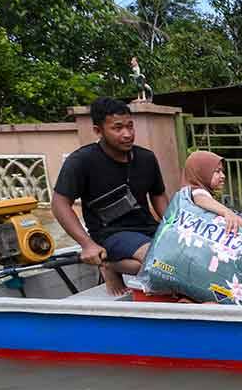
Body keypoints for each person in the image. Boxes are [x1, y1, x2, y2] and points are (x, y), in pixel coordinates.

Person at [52, 97, 169, 296]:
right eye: (117, 128)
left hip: (147, 227)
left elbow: (158, 195)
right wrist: (87, 245)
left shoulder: (146, 158)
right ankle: (107, 264)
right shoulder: (82, 161)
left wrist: (173, 227)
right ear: (98, 131)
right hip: (110, 233)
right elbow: (59, 204)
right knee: (160, 262)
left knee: (182, 255)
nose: (127, 134)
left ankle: (111, 265)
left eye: (130, 126)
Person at [181, 150, 242, 235]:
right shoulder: (195, 191)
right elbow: (200, 197)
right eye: (217, 171)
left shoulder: (189, 192)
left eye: (222, 171)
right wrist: (227, 212)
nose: (223, 176)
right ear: (202, 172)